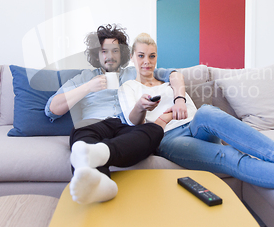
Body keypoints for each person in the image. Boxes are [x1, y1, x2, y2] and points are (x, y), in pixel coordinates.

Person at [118, 33, 274, 193]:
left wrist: (180, 96)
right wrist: (141, 106)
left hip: (196, 125)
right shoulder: (129, 86)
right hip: (170, 139)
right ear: (133, 58)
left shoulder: (166, 78)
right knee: (229, 156)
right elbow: (132, 122)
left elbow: (175, 75)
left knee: (208, 112)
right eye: (141, 56)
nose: (146, 62)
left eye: (151, 56)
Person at [45, 24, 188, 204]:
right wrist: (88, 87)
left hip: (126, 127)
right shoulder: (84, 78)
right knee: (81, 134)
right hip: (94, 124)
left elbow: (173, 75)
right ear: (97, 54)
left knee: (154, 130)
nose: (110, 56)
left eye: (115, 51)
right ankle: (102, 185)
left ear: (122, 54)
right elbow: (52, 108)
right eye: (104, 51)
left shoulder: (136, 72)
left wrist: (179, 98)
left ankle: (101, 158)